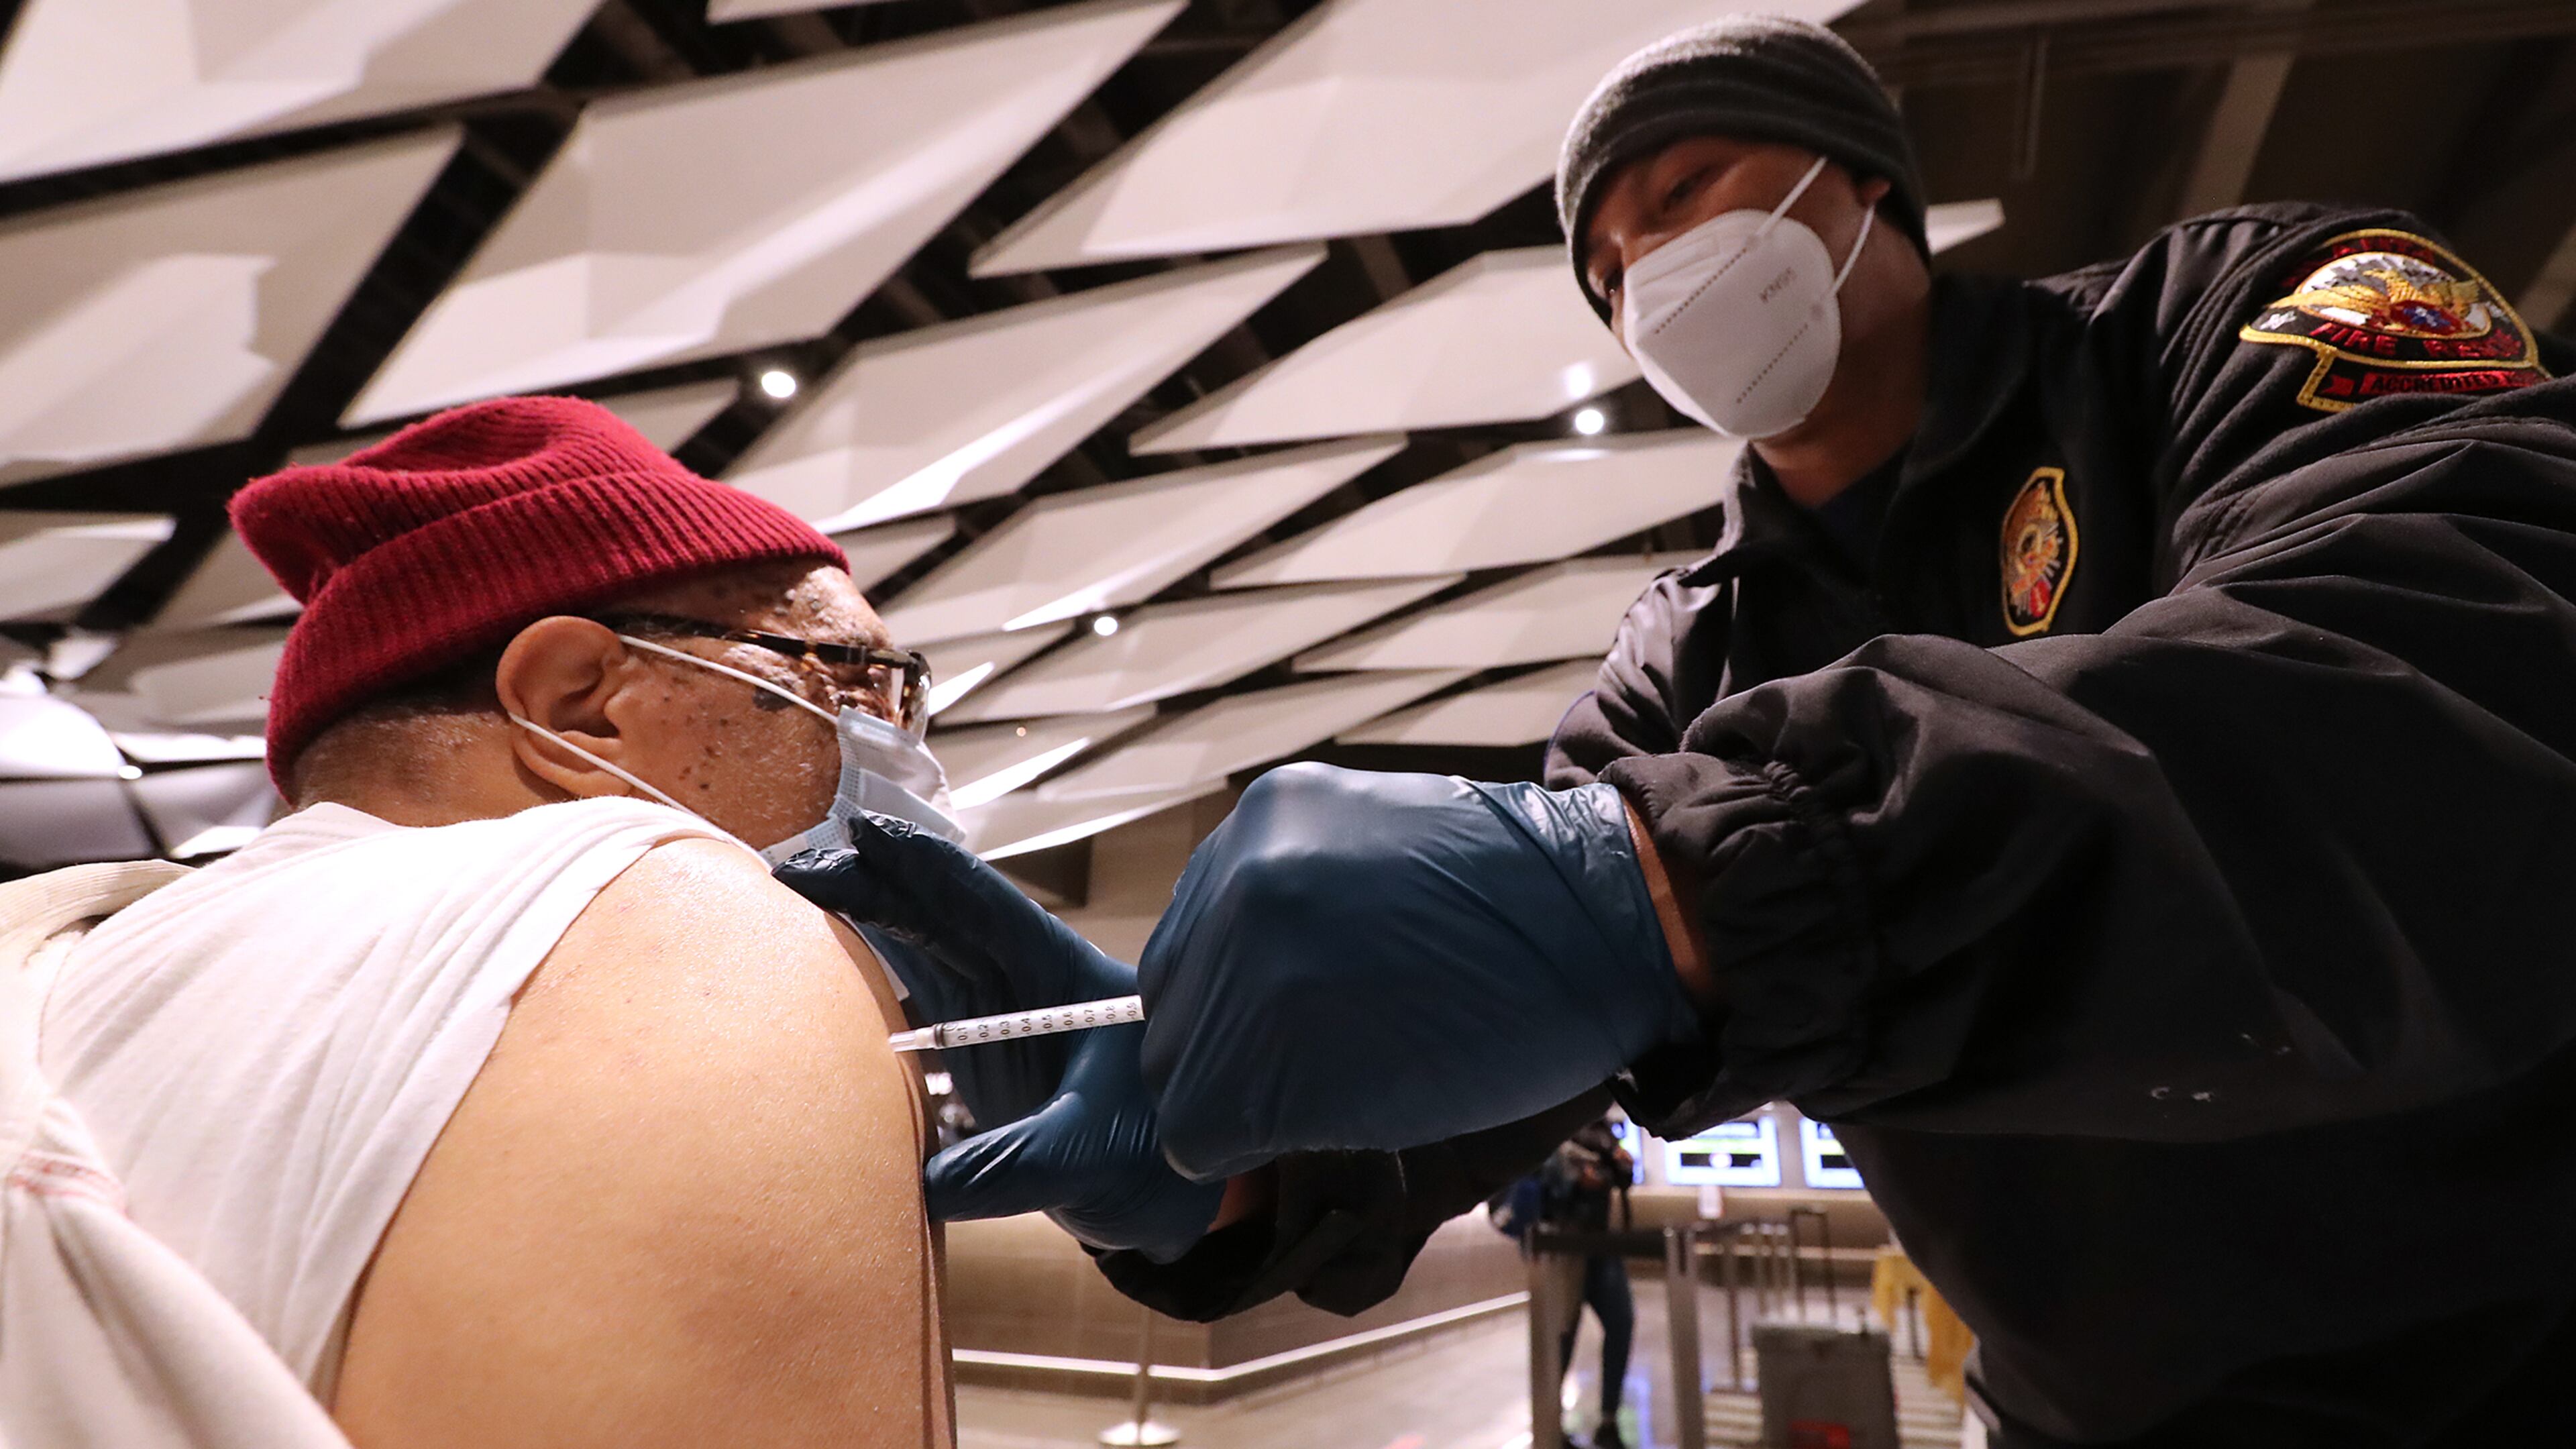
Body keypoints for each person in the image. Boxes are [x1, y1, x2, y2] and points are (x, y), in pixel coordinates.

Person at [799, 14, 2576, 1448]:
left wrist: (1720, 880)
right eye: (1609, 255)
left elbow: (2474, 661)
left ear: (1858, 177)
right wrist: (1249, 1170)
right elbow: (1514, 1036)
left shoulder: (2228, 319)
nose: (1650, 261)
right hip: (2095, 1408)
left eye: (1689, 189)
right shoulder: (1690, 650)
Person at [31, 397, 957, 1448]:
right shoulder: (678, 933)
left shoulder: (87, 966)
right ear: (581, 703)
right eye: (859, 683)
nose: (902, 748)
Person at [1491, 1118, 1637, 1449]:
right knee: (1561, 1338)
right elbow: (1545, 1182)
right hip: (1562, 1246)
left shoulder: (1603, 1132)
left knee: (1621, 1323)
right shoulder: (1550, 1127)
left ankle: (1608, 1421)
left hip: (1601, 1245)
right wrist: (1574, 1179)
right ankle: (1549, 1427)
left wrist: (1618, 1168)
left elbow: (1623, 1178)